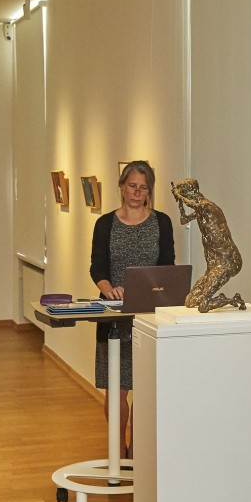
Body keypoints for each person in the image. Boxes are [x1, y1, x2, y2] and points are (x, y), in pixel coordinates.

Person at [89, 160, 175, 459]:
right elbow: (97, 267)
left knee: (144, 385)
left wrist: (151, 290)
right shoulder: (105, 224)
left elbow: (168, 266)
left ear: (150, 191)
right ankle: (117, 449)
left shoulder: (162, 222)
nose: (137, 192)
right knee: (117, 387)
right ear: (122, 186)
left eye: (143, 187)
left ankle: (137, 449)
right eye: (132, 185)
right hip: (114, 315)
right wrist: (107, 288)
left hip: (149, 315)